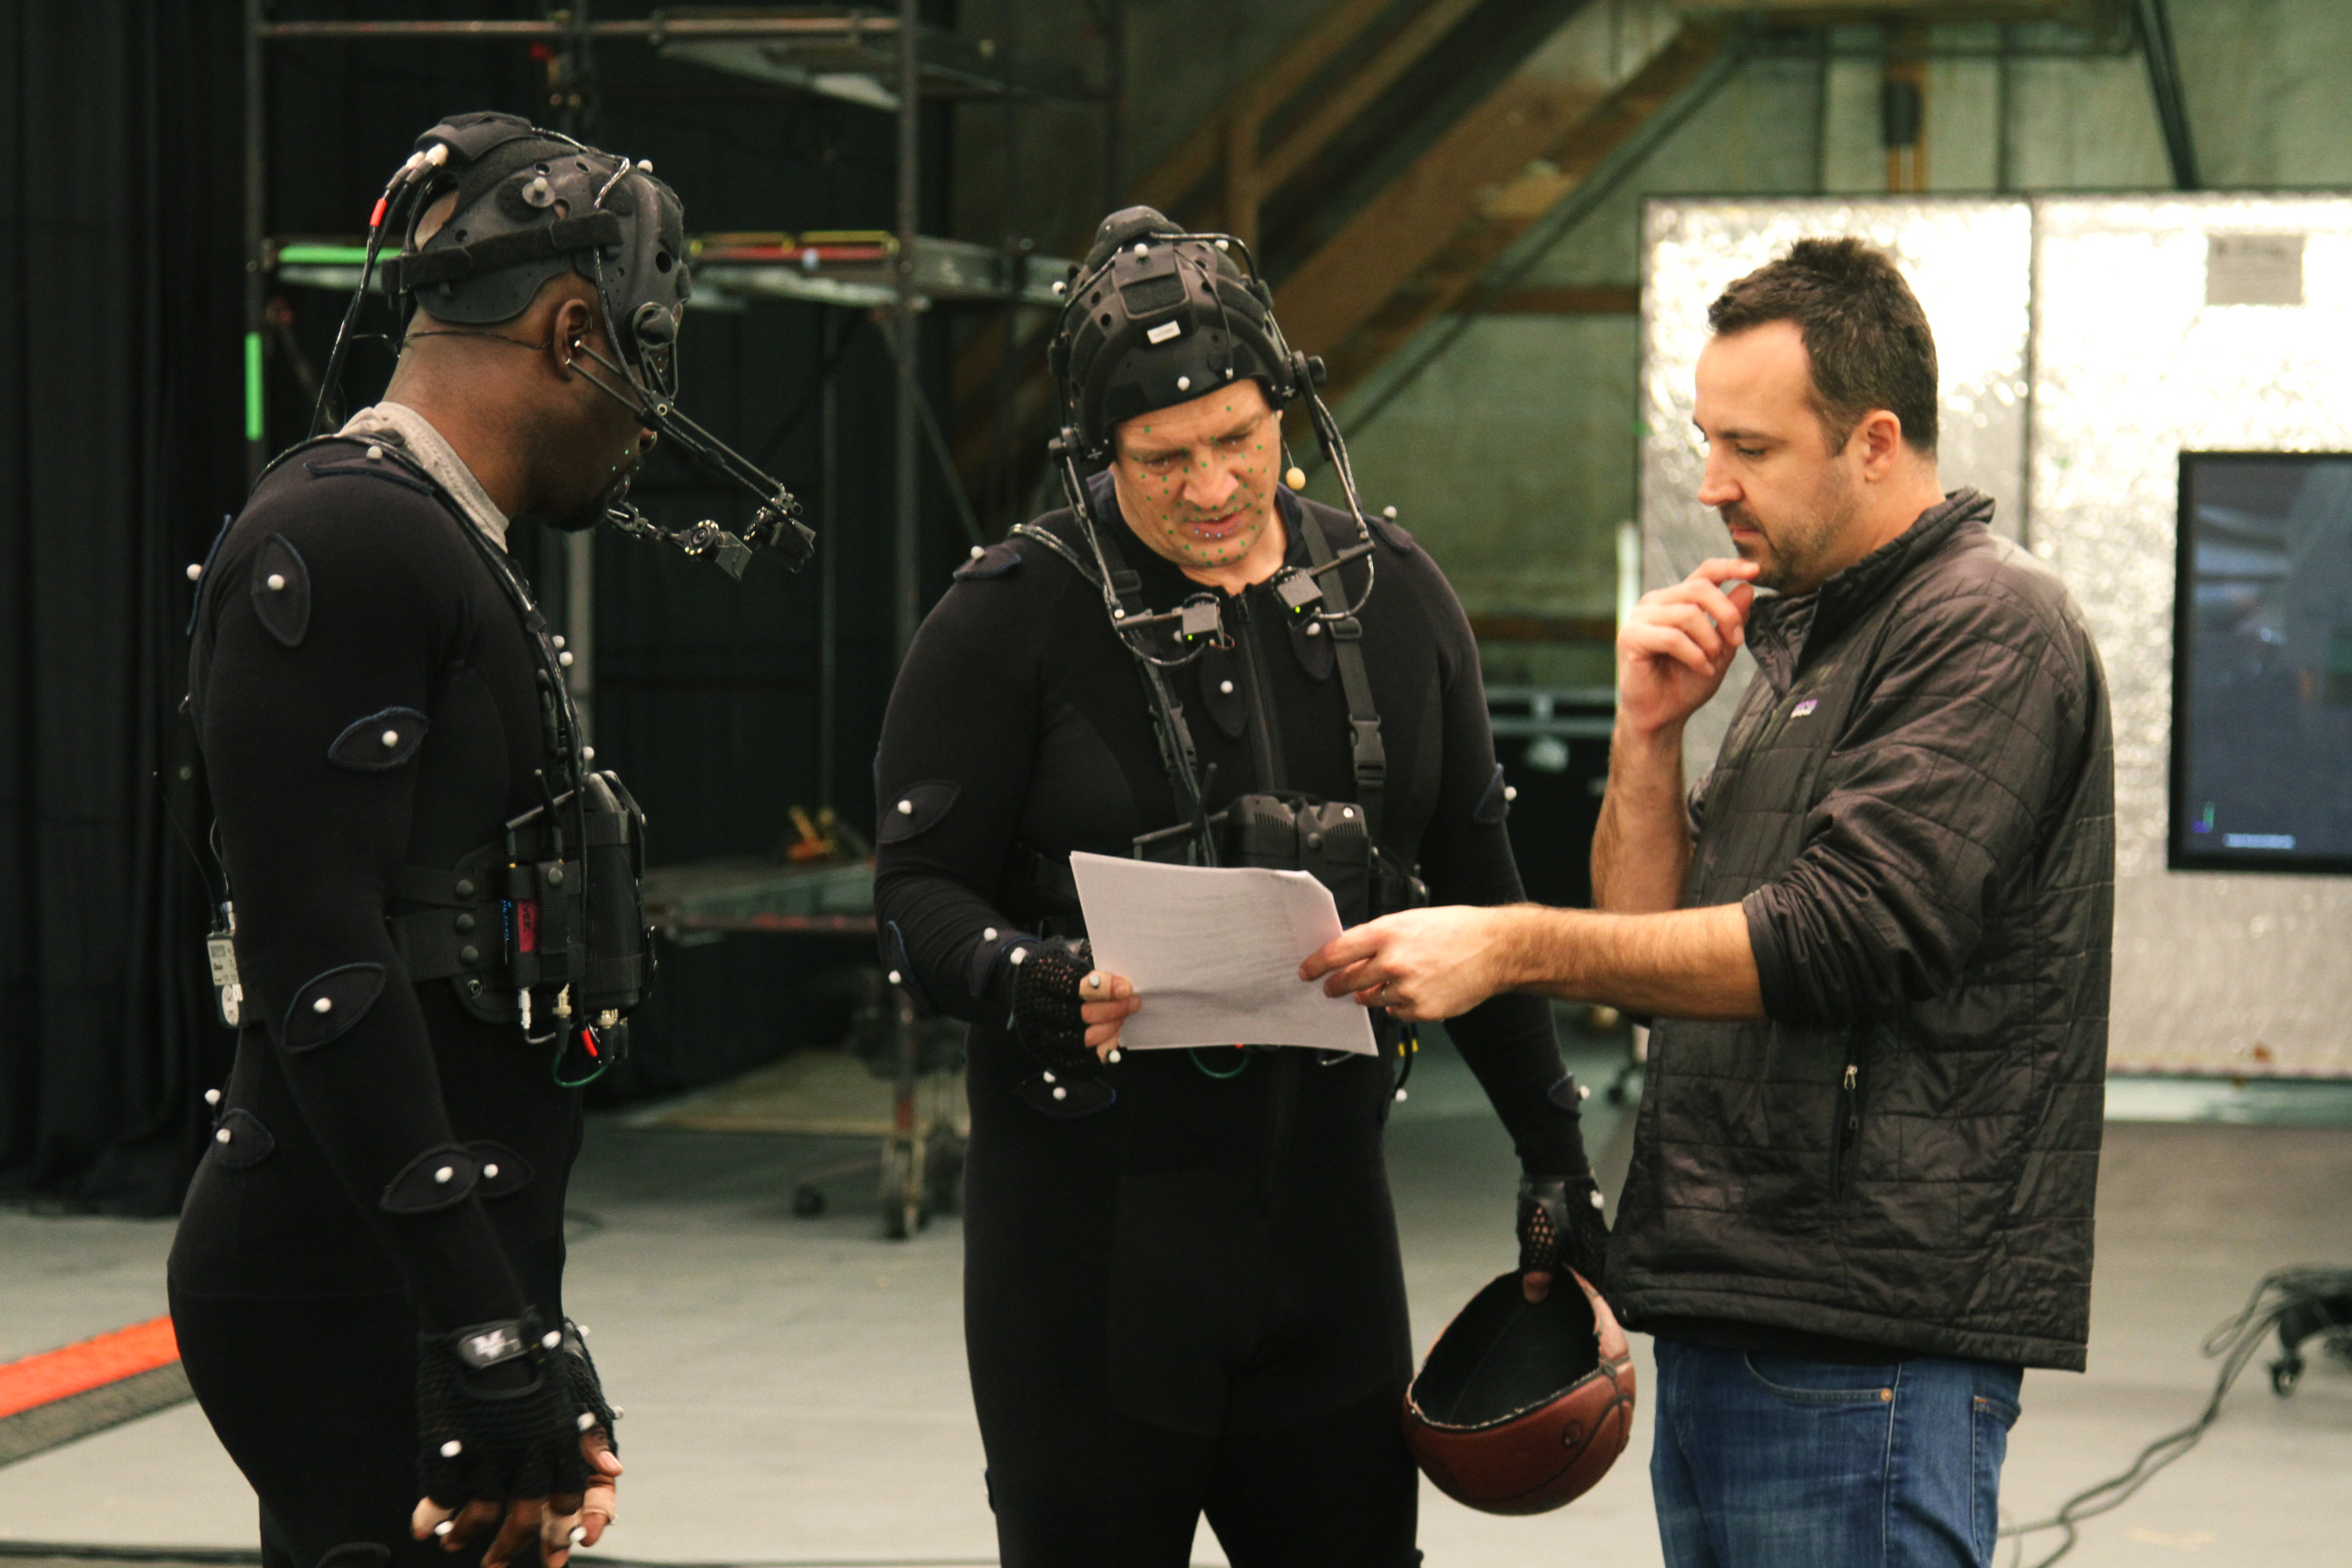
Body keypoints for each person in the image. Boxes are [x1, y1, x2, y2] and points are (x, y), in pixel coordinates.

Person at [1302, 238, 2115, 1568]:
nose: (1710, 483)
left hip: (1865, 1340)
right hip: (1744, 1309)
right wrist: (1650, 736)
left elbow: (1839, 936)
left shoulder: (1986, 625)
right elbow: (1651, 969)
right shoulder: (1813, 639)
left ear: (1873, 442)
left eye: (1750, 446)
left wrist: (1509, 944)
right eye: (1705, 440)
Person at [872, 206, 1607, 1568]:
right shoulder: (1008, 615)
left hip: (1328, 1241)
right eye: (1163, 459)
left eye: (1238, 439)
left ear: (1288, 406)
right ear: (1097, 453)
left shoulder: (1397, 598)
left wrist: (1555, 1152)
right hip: (1086, 1261)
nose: (1211, 488)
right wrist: (1029, 979)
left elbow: (1485, 896)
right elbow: (916, 896)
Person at [171, 113, 710, 1568]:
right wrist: (478, 1329)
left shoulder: (439, 544)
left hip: (407, 1263)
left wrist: (520, 1319)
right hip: (340, 1280)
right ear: (573, 330)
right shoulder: (353, 537)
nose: (652, 415)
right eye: (648, 354)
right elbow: (323, 961)